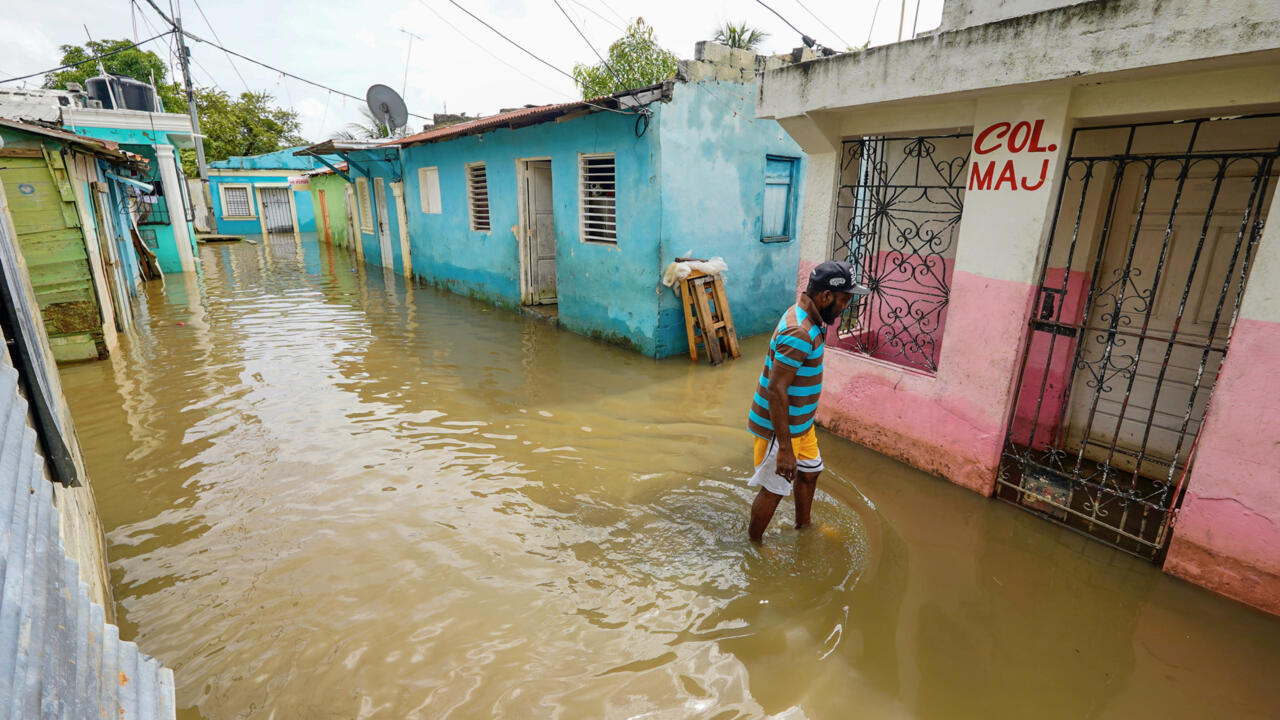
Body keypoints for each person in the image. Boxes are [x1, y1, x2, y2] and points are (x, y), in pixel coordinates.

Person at [746, 260, 867, 542]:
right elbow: (776, 390)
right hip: (782, 428)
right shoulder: (799, 331)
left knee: (811, 472)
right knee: (775, 488)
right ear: (826, 296)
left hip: (801, 423)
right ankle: (754, 545)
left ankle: (804, 527)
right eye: (844, 300)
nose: (846, 307)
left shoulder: (811, 319)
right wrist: (785, 448)